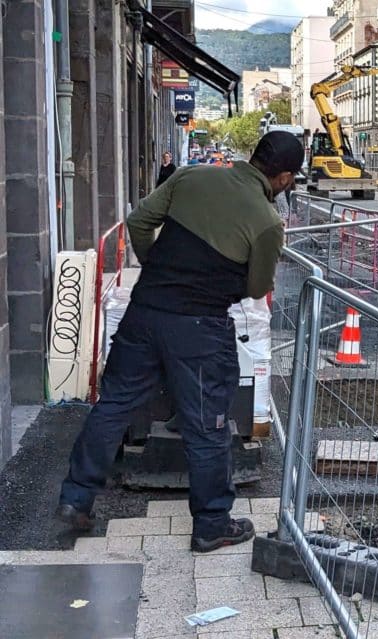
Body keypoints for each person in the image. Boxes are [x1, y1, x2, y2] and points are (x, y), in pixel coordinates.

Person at [56, 131, 302, 553]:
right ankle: (211, 525)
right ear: (281, 177)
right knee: (208, 425)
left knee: (114, 404)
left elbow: (137, 222)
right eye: (291, 179)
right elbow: (259, 285)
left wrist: (158, 265)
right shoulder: (266, 222)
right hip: (200, 329)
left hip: (146, 311)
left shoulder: (192, 177)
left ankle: (76, 499)